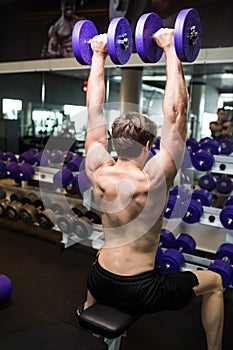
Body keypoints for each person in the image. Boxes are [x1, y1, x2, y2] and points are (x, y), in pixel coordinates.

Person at [80, 30, 224, 350]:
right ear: (148, 144)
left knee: (99, 264)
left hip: (99, 278)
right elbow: (177, 115)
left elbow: (94, 112)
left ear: (114, 142)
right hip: (139, 289)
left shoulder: (98, 168)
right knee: (214, 283)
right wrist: (172, 50)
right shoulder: (151, 180)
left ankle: (94, 329)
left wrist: (98, 55)